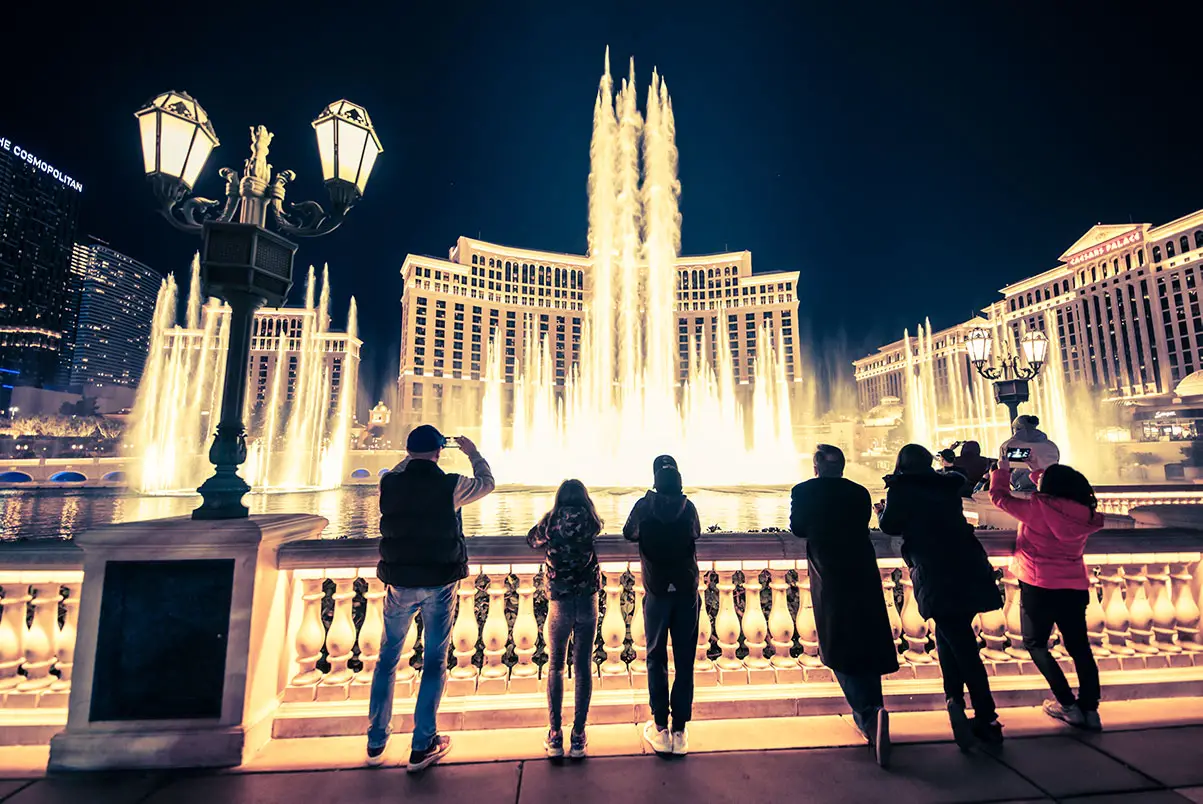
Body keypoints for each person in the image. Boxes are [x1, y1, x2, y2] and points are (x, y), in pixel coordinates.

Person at [367, 425, 495, 772]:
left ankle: (377, 738)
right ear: (440, 450)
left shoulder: (389, 483)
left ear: (408, 451)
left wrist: (413, 453)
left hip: (400, 582)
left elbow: (398, 469)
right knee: (435, 661)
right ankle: (422, 743)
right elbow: (487, 483)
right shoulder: (451, 484)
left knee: (387, 659)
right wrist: (472, 452)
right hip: (439, 581)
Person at [876, 444, 1004, 750]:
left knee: (961, 646)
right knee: (949, 639)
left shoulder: (902, 489)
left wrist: (881, 511)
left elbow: (890, 526)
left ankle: (987, 719)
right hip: (969, 563)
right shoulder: (947, 485)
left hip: (937, 570)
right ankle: (955, 702)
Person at [790, 445, 899, 768]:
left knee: (837, 638)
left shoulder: (804, 491)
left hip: (830, 570)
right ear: (842, 466)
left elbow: (799, 528)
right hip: (862, 567)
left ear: (816, 467)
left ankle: (867, 717)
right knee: (866, 634)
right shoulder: (859, 492)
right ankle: (874, 708)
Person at [989, 454, 1105, 731]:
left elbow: (1000, 497)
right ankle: (1090, 710)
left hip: (1039, 586)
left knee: (1036, 644)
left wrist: (1002, 471)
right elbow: (1058, 492)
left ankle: (1067, 705)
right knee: (1080, 649)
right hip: (1074, 586)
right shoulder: (1084, 512)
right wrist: (1037, 471)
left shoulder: (1038, 508)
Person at [624, 459, 701, 757]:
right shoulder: (688, 507)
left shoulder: (645, 506)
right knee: (684, 659)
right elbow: (696, 533)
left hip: (656, 590)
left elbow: (629, 533)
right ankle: (680, 729)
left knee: (655, 656)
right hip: (685, 589)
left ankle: (660, 726)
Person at [527, 479, 603, 758]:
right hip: (586, 601)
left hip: (559, 600)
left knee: (556, 666)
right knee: (582, 667)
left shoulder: (550, 523)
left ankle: (555, 734)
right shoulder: (592, 522)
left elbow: (531, 540)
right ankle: (579, 735)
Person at [999, 415, 1061, 491]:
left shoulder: (1008, 445)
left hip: (1023, 485)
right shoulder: (1051, 446)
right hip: (1048, 483)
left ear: (1017, 428)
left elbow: (1003, 464)